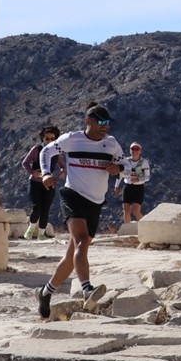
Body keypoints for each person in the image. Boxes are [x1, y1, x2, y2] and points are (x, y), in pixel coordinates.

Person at [35, 102, 123, 319]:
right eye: (101, 122)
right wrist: (46, 173)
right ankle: (87, 290)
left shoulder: (111, 144)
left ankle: (46, 292)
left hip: (95, 202)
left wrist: (119, 168)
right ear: (88, 121)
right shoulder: (72, 139)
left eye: (108, 123)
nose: (105, 126)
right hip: (73, 195)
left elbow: (126, 165)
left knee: (71, 256)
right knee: (82, 242)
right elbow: (46, 151)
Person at [21, 125, 63, 240]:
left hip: (49, 184)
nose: (49, 141)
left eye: (52, 139)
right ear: (43, 138)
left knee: (46, 209)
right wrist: (32, 172)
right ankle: (30, 230)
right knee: (37, 207)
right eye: (47, 138)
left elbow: (62, 165)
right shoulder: (37, 149)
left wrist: (61, 172)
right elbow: (25, 162)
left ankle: (41, 234)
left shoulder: (56, 152)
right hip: (35, 182)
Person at [114, 140, 151, 223]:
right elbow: (120, 174)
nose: (135, 151)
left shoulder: (144, 162)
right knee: (126, 210)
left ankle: (146, 225)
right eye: (133, 149)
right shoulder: (126, 161)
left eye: (137, 149)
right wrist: (116, 185)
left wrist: (138, 179)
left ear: (140, 151)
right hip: (128, 187)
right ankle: (128, 228)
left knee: (136, 210)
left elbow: (147, 177)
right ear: (130, 150)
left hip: (139, 188)